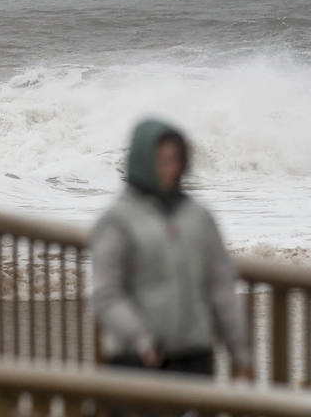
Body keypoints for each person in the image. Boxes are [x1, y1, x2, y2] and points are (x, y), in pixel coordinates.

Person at [91, 117, 252, 392]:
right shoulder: (117, 220)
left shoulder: (198, 217)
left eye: (175, 159)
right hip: (138, 360)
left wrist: (240, 353)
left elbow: (221, 287)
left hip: (195, 356)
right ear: (142, 161)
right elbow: (107, 294)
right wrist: (140, 338)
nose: (169, 169)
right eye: (160, 160)